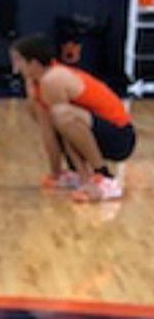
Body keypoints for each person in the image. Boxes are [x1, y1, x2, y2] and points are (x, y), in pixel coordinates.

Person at [11, 34, 134, 201]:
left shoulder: (54, 79)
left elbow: (65, 127)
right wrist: (56, 173)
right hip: (92, 131)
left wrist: (86, 182)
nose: (15, 68)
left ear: (33, 63)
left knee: (61, 114)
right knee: (46, 113)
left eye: (18, 61)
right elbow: (48, 130)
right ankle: (74, 175)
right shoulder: (36, 82)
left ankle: (104, 178)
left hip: (120, 136)